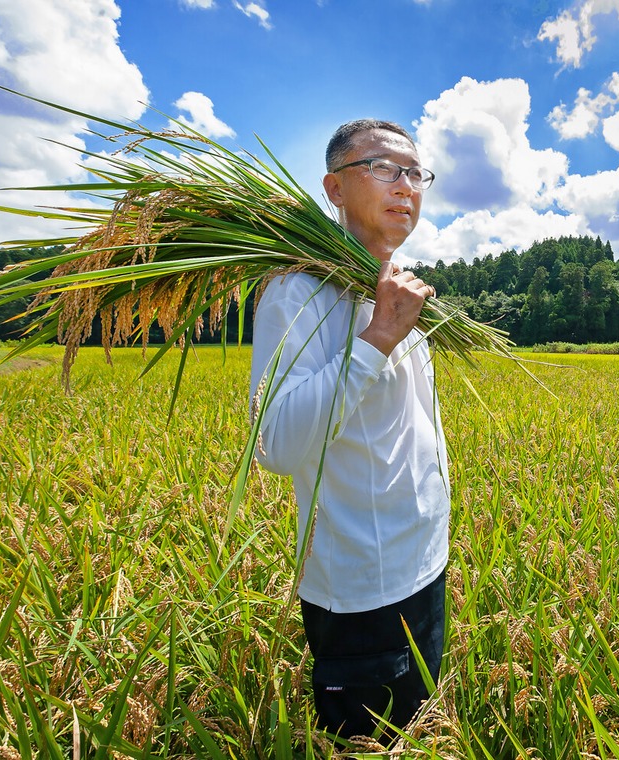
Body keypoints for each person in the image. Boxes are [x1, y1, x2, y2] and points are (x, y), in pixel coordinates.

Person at [247, 119, 450, 743]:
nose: (406, 186)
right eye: (386, 168)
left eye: (416, 173)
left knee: (417, 732)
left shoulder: (394, 288)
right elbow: (275, 443)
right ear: (335, 188)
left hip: (425, 561)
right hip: (364, 585)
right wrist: (378, 339)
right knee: (368, 744)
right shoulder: (296, 291)